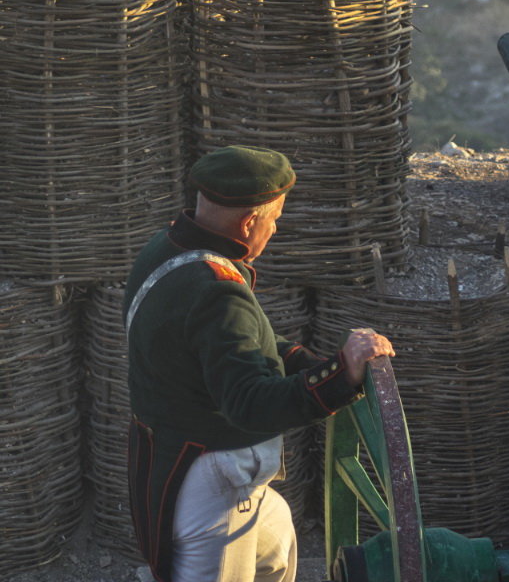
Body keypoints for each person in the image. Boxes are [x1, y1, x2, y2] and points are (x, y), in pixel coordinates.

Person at [125, 145, 395, 582]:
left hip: (181, 456)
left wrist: (320, 365)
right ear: (250, 221)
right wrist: (341, 377)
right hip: (215, 480)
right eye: (275, 219)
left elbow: (236, 345)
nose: (274, 229)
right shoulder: (217, 289)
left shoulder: (165, 248)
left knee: (276, 545)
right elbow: (249, 404)